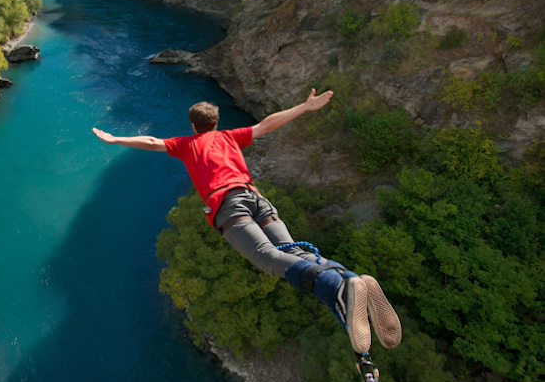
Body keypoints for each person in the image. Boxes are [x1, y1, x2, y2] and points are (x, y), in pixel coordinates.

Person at [92, 89, 401, 354]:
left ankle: (337, 289)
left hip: (228, 205)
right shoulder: (229, 137)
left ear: (193, 125)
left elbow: (151, 141)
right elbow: (267, 125)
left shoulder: (187, 144)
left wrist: (115, 139)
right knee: (293, 251)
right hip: (256, 198)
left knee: (267, 258)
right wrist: (305, 107)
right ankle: (348, 278)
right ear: (216, 123)